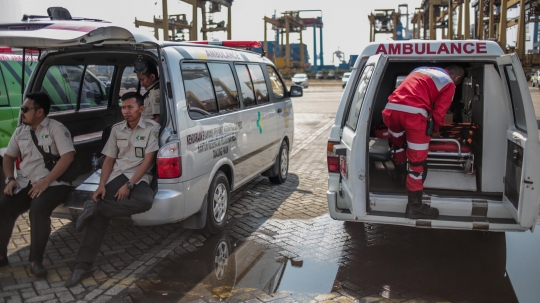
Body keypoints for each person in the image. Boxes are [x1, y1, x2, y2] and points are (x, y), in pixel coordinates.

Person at [65, 92, 160, 287]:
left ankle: (96, 208)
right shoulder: (116, 130)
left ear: (141, 109)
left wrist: (130, 184)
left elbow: (148, 160)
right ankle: (82, 266)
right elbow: (108, 160)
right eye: (123, 107)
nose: (126, 111)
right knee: (98, 217)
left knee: (145, 201)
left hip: (140, 178)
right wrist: (101, 186)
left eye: (130, 107)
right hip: (117, 175)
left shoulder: (153, 128)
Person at [0, 92, 75, 276]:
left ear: (40, 112)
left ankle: (35, 261)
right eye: (22, 109)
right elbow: (8, 157)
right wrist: (10, 179)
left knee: (38, 209)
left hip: (54, 183)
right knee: (4, 206)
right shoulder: (20, 131)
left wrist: (46, 182)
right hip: (26, 182)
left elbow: (68, 156)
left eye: (26, 109)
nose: (22, 112)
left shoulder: (56, 129)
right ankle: (1, 255)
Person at [382, 65, 464, 219]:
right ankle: (415, 206)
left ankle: (399, 176)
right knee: (417, 164)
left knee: (397, 145)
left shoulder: (419, 71)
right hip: (414, 116)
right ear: (458, 78)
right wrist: (436, 129)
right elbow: (440, 112)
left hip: (391, 110)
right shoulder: (449, 83)